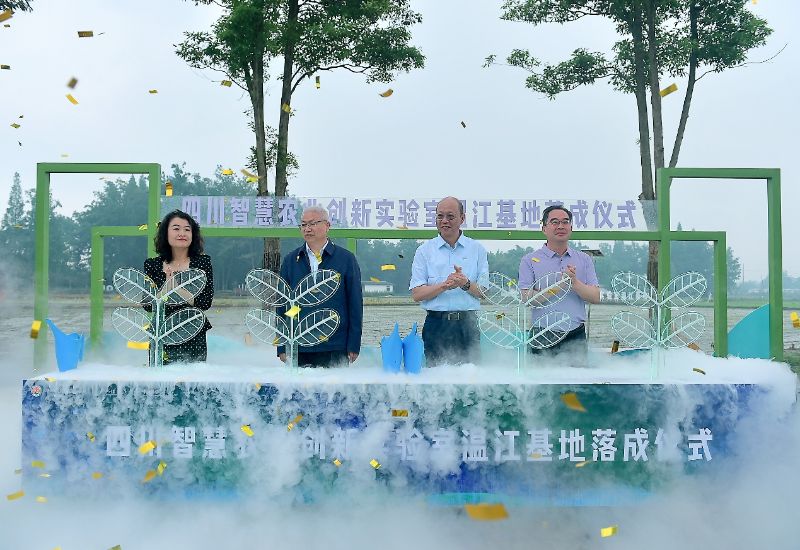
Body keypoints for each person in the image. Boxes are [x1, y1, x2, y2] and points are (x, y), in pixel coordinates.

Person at [277, 205, 362, 367]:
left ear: (327, 226)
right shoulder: (291, 260)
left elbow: (355, 304)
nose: (307, 229)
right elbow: (282, 304)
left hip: (335, 344)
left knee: (334, 384)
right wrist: (282, 344)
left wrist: (354, 343)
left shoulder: (346, 259)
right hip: (299, 345)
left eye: (312, 223)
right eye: (303, 224)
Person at [409, 196, 488, 366]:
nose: (444, 221)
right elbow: (417, 294)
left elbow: (484, 293)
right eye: (440, 216)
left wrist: (465, 284)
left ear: (462, 218)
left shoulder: (477, 250)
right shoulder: (424, 251)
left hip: (468, 325)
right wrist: (444, 286)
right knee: (436, 377)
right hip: (436, 325)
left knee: (471, 376)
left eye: (450, 216)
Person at [518, 205, 600, 358]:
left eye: (565, 222)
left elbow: (595, 297)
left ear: (571, 228)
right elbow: (527, 298)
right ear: (544, 229)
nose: (560, 226)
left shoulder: (584, 259)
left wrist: (574, 282)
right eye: (555, 222)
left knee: (577, 374)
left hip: (575, 334)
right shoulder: (529, 260)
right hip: (542, 333)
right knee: (540, 374)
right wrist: (559, 286)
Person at [143, 210, 214, 364]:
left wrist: (177, 288)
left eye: (187, 229)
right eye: (176, 228)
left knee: (193, 377)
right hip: (161, 332)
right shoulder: (152, 264)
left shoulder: (202, 263)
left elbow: (205, 302)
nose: (182, 233)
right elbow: (148, 304)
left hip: (194, 332)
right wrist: (166, 287)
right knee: (160, 377)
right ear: (165, 233)